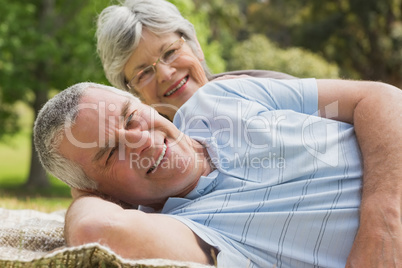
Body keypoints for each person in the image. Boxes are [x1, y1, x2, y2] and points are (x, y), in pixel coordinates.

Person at [34, 78, 402, 267]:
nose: (140, 140)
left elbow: (381, 98)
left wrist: (384, 214)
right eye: (112, 152)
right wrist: (85, 194)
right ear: (106, 196)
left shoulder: (219, 98)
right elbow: (95, 232)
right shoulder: (186, 229)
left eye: (131, 117)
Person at [96, 0, 295, 121]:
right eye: (144, 73)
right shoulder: (145, 159)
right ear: (134, 95)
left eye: (170, 52)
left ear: (196, 46)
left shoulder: (274, 91)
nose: (165, 74)